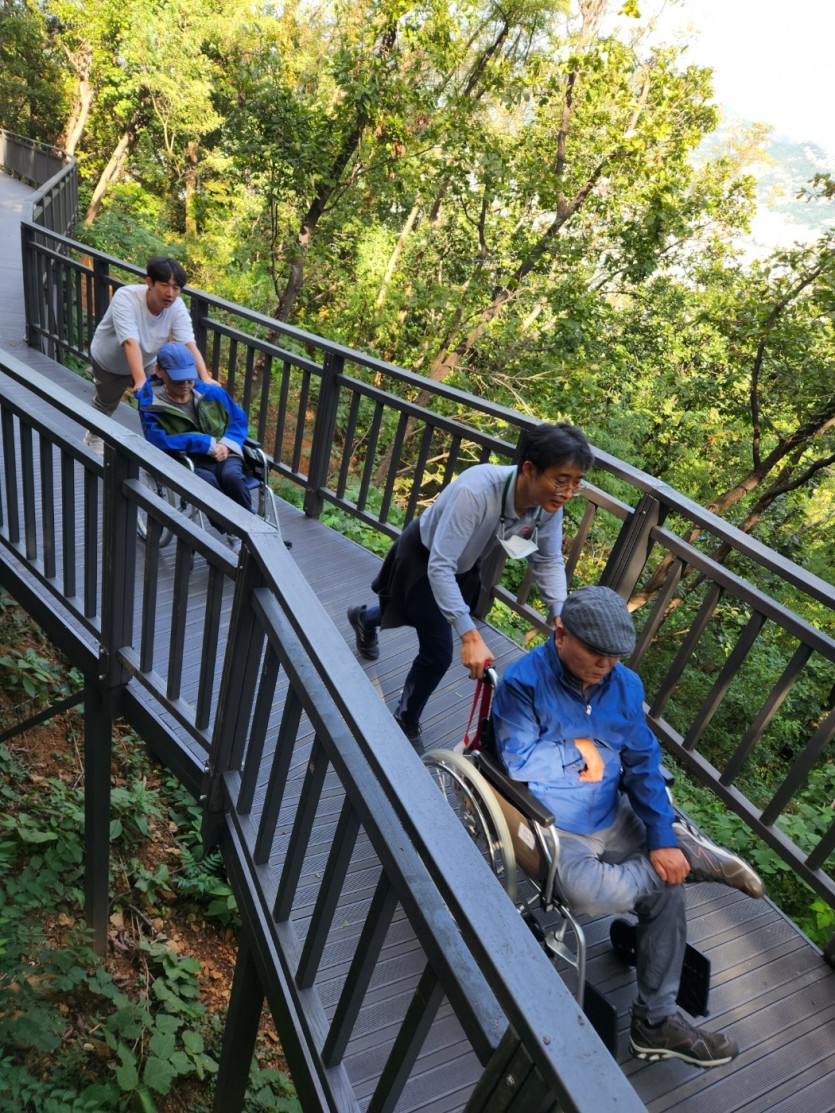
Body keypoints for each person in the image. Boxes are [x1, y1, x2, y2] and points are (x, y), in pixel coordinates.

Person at [491, 584, 764, 1069]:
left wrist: (660, 837)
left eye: (615, 656)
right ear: (561, 633)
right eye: (596, 653)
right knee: (592, 893)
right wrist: (583, 751)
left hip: (614, 810)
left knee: (669, 878)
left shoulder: (625, 685)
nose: (606, 665)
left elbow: (642, 762)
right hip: (556, 822)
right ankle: (693, 854)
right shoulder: (522, 683)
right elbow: (518, 760)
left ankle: (654, 1022)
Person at [347, 422, 593, 751]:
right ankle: (405, 717)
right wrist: (470, 636)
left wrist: (560, 613)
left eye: (576, 483)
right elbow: (440, 566)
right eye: (561, 481)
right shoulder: (476, 491)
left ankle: (365, 619)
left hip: (463, 563)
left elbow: (546, 560)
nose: (567, 492)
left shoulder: (546, 505)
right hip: (425, 558)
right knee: (438, 654)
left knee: (415, 613)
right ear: (529, 469)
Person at [85, 256, 210, 453]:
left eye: (176, 288)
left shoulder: (176, 307)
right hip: (110, 361)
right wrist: (140, 379)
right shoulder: (126, 298)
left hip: (148, 359)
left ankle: (167, 446)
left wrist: (205, 377)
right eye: (165, 285)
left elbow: (189, 344)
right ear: (150, 282)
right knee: (107, 403)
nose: (170, 293)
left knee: (167, 396)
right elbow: (130, 341)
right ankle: (92, 436)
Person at [135, 342, 252, 550]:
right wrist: (200, 442)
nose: (186, 384)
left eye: (189, 377)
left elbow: (238, 419)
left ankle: (252, 529)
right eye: (178, 379)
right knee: (207, 484)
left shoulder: (212, 393)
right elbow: (157, 440)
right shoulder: (151, 405)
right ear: (159, 372)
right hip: (187, 460)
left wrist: (226, 444)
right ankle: (234, 534)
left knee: (232, 477)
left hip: (224, 454)